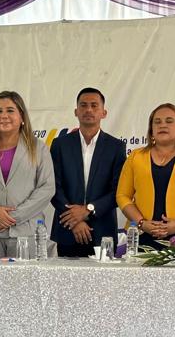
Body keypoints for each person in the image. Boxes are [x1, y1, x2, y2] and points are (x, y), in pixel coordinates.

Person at [0, 91, 56, 258]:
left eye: (10, 110)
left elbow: (47, 188)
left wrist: (14, 216)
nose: (4, 116)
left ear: (22, 117)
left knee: (24, 276)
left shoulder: (38, 148)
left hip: (26, 231)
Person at [117, 103, 175, 249]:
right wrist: (142, 223)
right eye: (157, 122)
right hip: (139, 237)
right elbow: (122, 195)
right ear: (151, 129)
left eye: (169, 121)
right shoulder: (136, 157)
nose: (162, 125)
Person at [50, 87, 128, 258]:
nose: (89, 110)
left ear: (104, 113)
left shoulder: (116, 147)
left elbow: (118, 191)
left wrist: (88, 210)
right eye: (83, 105)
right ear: (76, 111)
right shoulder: (60, 145)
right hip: (68, 230)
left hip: (103, 233)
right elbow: (53, 187)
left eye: (94, 105)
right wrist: (74, 220)